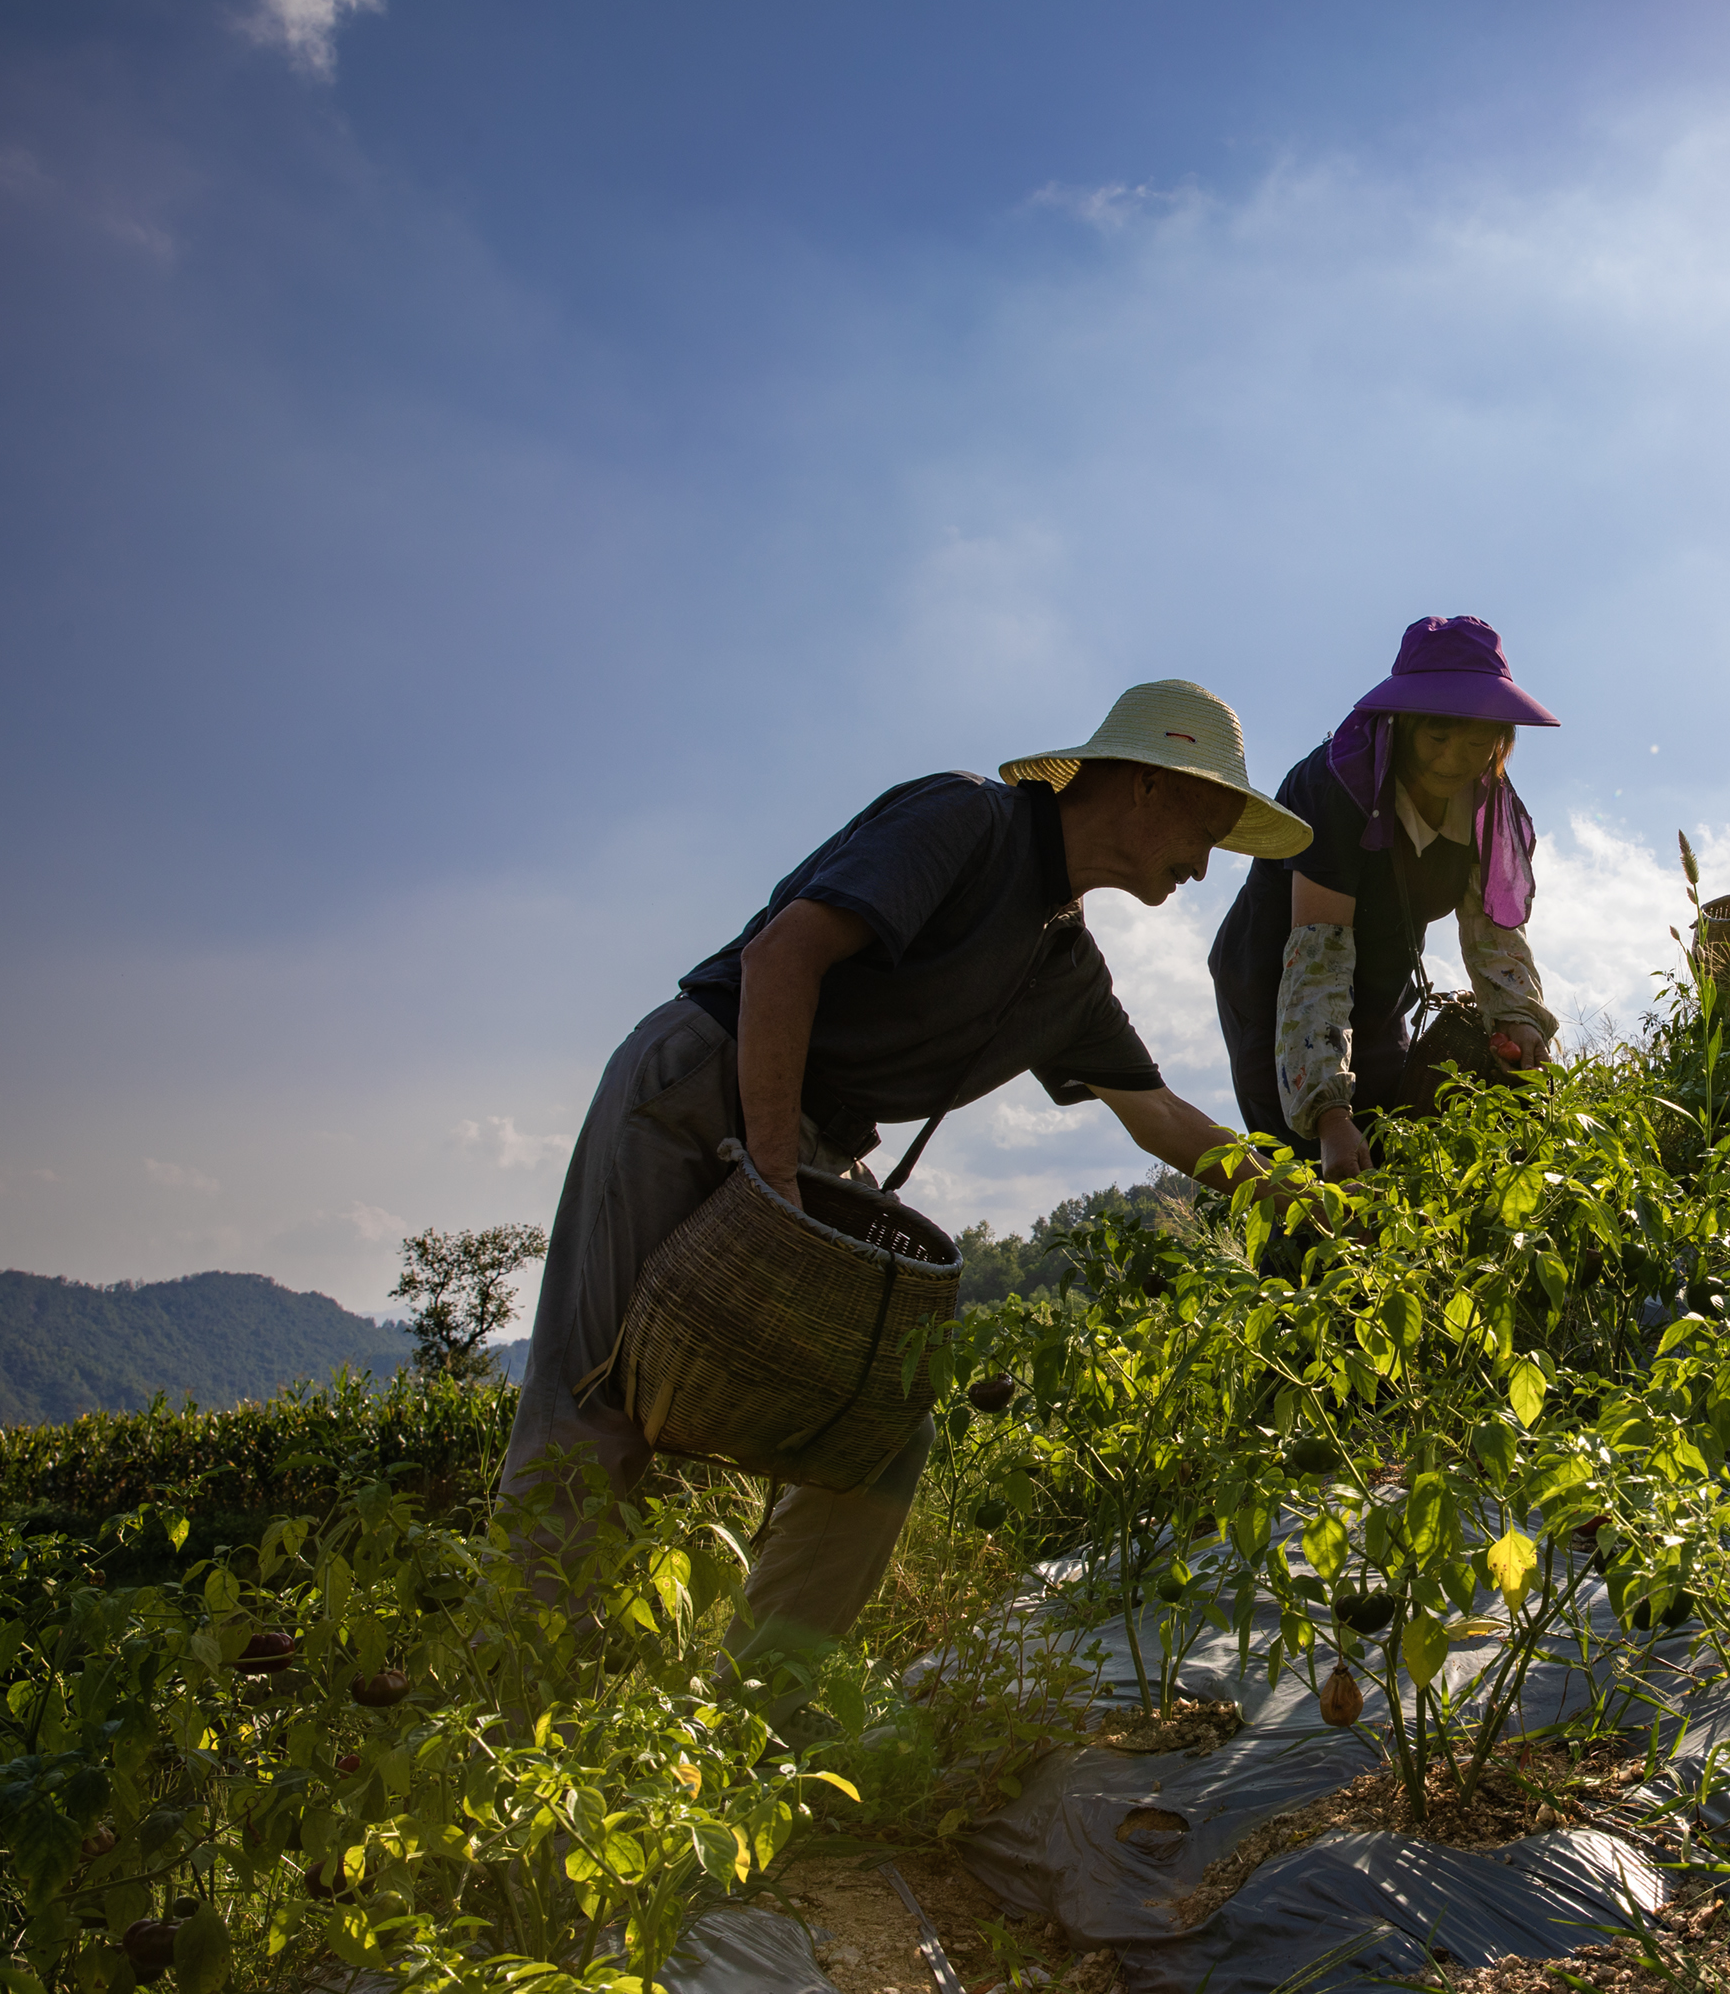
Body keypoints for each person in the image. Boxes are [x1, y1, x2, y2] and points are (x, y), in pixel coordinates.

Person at [500, 680, 1311, 1659]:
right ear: (1145, 783)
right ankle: (516, 1717)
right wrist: (772, 1181)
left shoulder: (1063, 970)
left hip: (810, 1144)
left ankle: (758, 1714)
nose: (1208, 858)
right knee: (595, 1410)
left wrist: (1306, 1199)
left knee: (878, 1433)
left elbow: (1162, 1116)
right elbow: (783, 956)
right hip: (705, 1084)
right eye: (1213, 817)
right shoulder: (966, 818)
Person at [1210, 616, 1561, 1180]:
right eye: (1437, 736)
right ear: (1399, 725)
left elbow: (1494, 933)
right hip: (1277, 980)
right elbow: (1317, 965)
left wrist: (1519, 1021)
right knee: (1308, 1159)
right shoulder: (1335, 788)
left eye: (1477, 740)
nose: (1454, 759)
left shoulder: (1486, 811)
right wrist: (1327, 1112)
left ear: (1502, 740)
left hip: (1383, 974)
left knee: (1392, 1128)